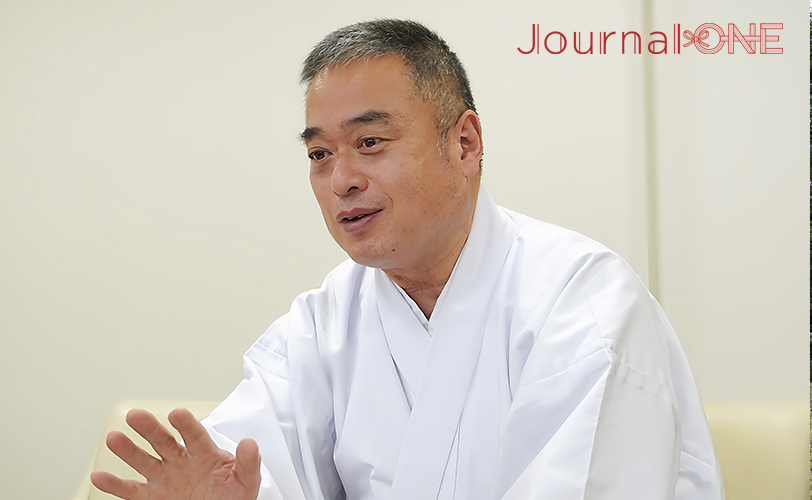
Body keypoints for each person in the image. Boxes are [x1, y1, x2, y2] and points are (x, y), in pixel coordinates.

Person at [90, 19, 725, 500]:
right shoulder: (323, 323)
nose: (341, 180)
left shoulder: (582, 301)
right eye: (320, 155)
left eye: (370, 143)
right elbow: (248, 469)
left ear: (466, 143)